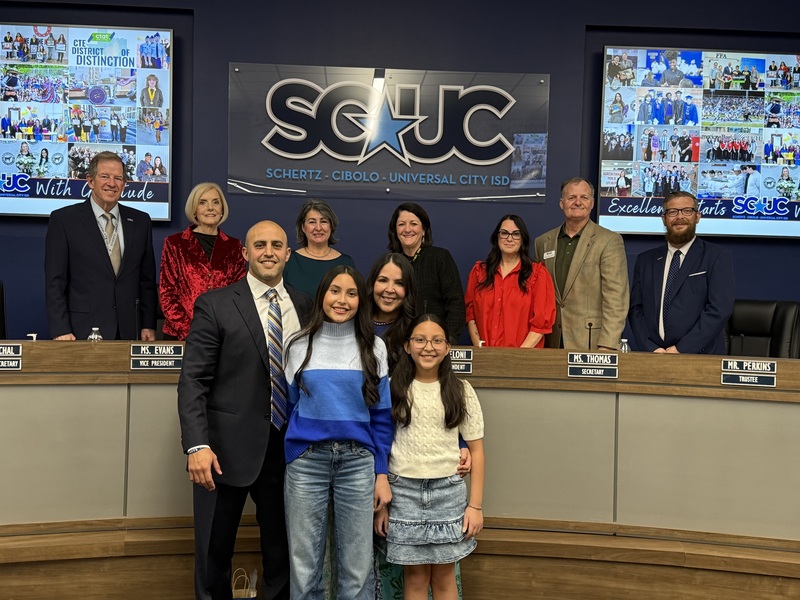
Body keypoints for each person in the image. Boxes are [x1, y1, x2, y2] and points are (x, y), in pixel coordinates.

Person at [178, 219, 312, 600]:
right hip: (223, 453)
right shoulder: (216, 304)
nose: (268, 252)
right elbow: (193, 381)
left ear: (288, 254)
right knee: (213, 552)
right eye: (259, 245)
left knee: (282, 552)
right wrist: (196, 445)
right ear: (245, 253)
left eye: (276, 245)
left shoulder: (304, 304)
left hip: (289, 450)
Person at [283, 265, 393, 599]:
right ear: (322, 295)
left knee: (357, 570)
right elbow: (291, 406)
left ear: (361, 300)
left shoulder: (374, 347)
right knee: (304, 569)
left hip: (358, 463)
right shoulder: (298, 345)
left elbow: (382, 418)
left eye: (351, 293)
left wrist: (381, 473)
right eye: (335, 291)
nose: (341, 300)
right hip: (307, 463)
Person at [374, 313, 484, 600]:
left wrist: (475, 506)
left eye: (437, 340)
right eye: (420, 340)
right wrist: (383, 503)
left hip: (447, 493)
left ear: (448, 347)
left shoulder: (461, 391)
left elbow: (478, 451)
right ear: (408, 346)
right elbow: (382, 442)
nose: (428, 347)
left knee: (445, 576)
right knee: (415, 577)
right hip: (402, 493)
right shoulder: (392, 389)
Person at [44, 150, 157, 340]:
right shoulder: (64, 220)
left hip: (129, 330)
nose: (112, 184)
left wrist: (148, 325)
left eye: (118, 178)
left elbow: (147, 281)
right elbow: (55, 282)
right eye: (104, 176)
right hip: (80, 331)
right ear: (90, 181)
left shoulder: (140, 221)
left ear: (124, 184)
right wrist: (60, 329)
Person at [629, 191, 735, 354]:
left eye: (687, 211)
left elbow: (719, 309)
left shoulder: (716, 256)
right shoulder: (646, 260)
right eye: (672, 212)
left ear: (697, 216)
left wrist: (681, 349)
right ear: (664, 219)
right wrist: (651, 348)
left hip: (700, 358)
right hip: (654, 357)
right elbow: (636, 310)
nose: (680, 217)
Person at [533, 178, 629, 350]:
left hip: (591, 342)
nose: (577, 202)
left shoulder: (609, 241)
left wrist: (608, 345)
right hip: (550, 341)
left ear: (592, 203)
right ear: (561, 203)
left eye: (584, 198)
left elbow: (616, 298)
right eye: (571, 198)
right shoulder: (543, 242)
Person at [159, 182, 247, 340]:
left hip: (223, 335)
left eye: (216, 202)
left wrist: (223, 329)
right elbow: (167, 294)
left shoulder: (234, 246)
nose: (210, 208)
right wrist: (191, 331)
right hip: (181, 335)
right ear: (194, 209)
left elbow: (239, 293)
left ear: (222, 209)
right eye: (203, 202)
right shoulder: (174, 243)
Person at [465, 214, 555, 348]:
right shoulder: (479, 272)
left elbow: (541, 323)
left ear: (523, 239)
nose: (509, 239)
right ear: (497, 237)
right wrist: (480, 348)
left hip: (522, 360)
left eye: (516, 234)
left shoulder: (537, 274)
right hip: (484, 358)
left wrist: (515, 357)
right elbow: (470, 314)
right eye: (504, 233)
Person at [388, 202, 465, 343]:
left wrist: (447, 340)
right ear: (395, 231)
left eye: (413, 224)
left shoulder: (440, 257)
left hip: (435, 345)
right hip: (398, 344)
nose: (407, 229)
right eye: (401, 224)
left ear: (424, 230)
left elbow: (456, 304)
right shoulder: (390, 263)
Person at [282, 198, 356, 298]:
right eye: (312, 222)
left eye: (324, 221)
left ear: (331, 226)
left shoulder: (346, 262)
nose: (318, 228)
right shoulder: (289, 260)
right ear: (303, 227)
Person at [367, 252, 417, 373]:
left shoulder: (415, 332)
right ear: (373, 283)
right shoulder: (355, 324)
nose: (389, 289)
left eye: (399, 283)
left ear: (408, 289)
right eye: (383, 280)